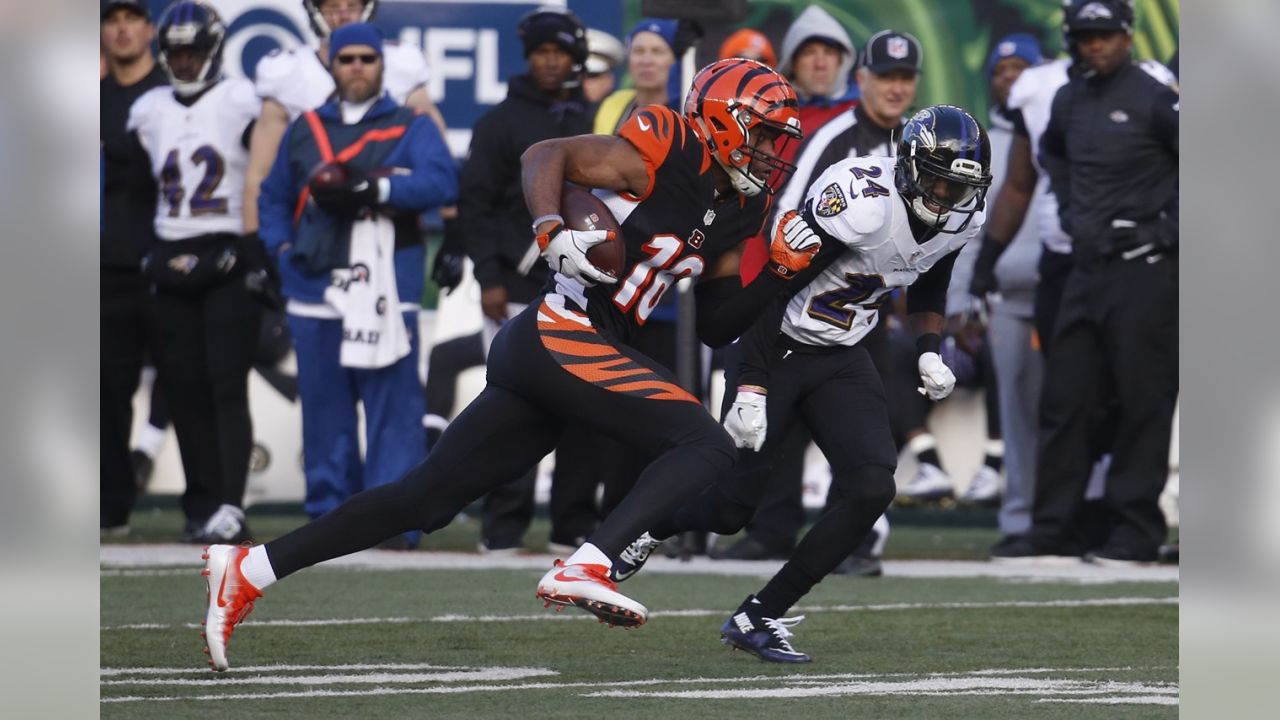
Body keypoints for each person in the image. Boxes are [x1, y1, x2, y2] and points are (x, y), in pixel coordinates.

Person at [200, 58, 816, 672]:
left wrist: (784, 275)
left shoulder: (742, 206)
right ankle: (588, 563)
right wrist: (550, 228)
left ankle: (248, 569)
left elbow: (715, 325)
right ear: (721, 121)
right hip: (560, 331)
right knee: (703, 442)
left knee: (424, 500)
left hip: (565, 348)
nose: (770, 152)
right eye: (763, 134)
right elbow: (543, 156)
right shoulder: (665, 144)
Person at [611, 105, 993, 662]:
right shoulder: (861, 203)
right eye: (934, 178)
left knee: (871, 487)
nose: (942, 195)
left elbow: (932, 280)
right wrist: (753, 383)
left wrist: (929, 349)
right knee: (731, 511)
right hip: (776, 341)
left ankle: (759, 615)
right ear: (908, 165)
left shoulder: (962, 215)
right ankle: (645, 529)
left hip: (843, 351)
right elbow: (777, 289)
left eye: (956, 185)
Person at [255, 23, 457, 549]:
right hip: (314, 288)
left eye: (368, 58)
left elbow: (441, 180)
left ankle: (393, 525)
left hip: (390, 287)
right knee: (324, 414)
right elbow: (273, 197)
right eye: (348, 59)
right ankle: (328, 523)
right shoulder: (304, 128)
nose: (358, 67)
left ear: (382, 66)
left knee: (395, 414)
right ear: (332, 66)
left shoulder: (411, 123)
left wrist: (380, 186)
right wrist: (279, 250)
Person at [991, 0, 1179, 564]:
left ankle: (1134, 531)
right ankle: (1054, 527)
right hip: (1081, 267)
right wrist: (1073, 217)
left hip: (1145, 268)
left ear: (1127, 37)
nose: (1094, 45)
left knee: (1142, 399)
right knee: (1065, 400)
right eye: (1084, 36)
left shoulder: (1156, 96)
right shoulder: (1067, 100)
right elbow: (1054, 163)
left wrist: (1167, 230)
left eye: (1104, 35)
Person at [431, 7, 596, 553]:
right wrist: (489, 278)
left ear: (575, 60)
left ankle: (572, 525)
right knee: (513, 407)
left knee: (583, 404)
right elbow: (473, 204)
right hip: (516, 285)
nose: (551, 62)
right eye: (542, 52)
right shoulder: (499, 121)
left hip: (583, 287)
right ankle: (501, 527)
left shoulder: (592, 116)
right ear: (529, 58)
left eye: (561, 53)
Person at [714, 8, 861, 563]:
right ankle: (762, 527)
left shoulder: (865, 119)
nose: (820, 62)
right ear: (793, 62)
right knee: (764, 414)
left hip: (843, 292)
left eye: (830, 53)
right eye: (809, 53)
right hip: (769, 277)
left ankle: (849, 538)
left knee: (846, 419)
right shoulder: (772, 117)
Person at [128, 0, 264, 543]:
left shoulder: (242, 99)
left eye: (194, 50)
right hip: (168, 251)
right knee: (182, 387)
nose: (184, 61)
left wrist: (253, 248)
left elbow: (267, 174)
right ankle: (200, 501)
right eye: (177, 51)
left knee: (225, 384)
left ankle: (230, 504)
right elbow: (135, 188)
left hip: (227, 248)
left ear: (214, 49)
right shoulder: (148, 108)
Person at [948, 34, 1045, 533]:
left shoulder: (1059, 130)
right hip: (1004, 296)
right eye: (1000, 70)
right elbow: (966, 231)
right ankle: (1018, 519)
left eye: (1019, 68)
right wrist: (960, 304)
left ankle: (1071, 516)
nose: (1009, 78)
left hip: (1062, 291)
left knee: (1072, 410)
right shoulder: (979, 142)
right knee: (1016, 413)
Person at [242, 0, 443, 236]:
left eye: (352, 5)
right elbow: (260, 173)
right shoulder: (287, 72)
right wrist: (254, 241)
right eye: (332, 6)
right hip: (313, 220)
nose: (343, 15)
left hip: (386, 219)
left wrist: (452, 224)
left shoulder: (401, 63)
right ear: (314, 10)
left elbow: (438, 159)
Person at [101, 0, 169, 536]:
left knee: (193, 388)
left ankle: (210, 507)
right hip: (106, 264)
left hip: (172, 260)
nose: (121, 28)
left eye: (130, 18)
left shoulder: (175, 93)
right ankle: (111, 504)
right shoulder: (89, 96)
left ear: (149, 28)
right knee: (104, 390)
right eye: (110, 19)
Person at [593, 18, 679, 135]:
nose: (646, 61)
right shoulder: (614, 103)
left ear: (675, 60)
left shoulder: (687, 108)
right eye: (638, 51)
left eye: (657, 51)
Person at [583, 28, 624, 104]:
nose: (583, 83)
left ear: (609, 80)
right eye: (575, 76)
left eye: (592, 76)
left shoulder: (629, 114)